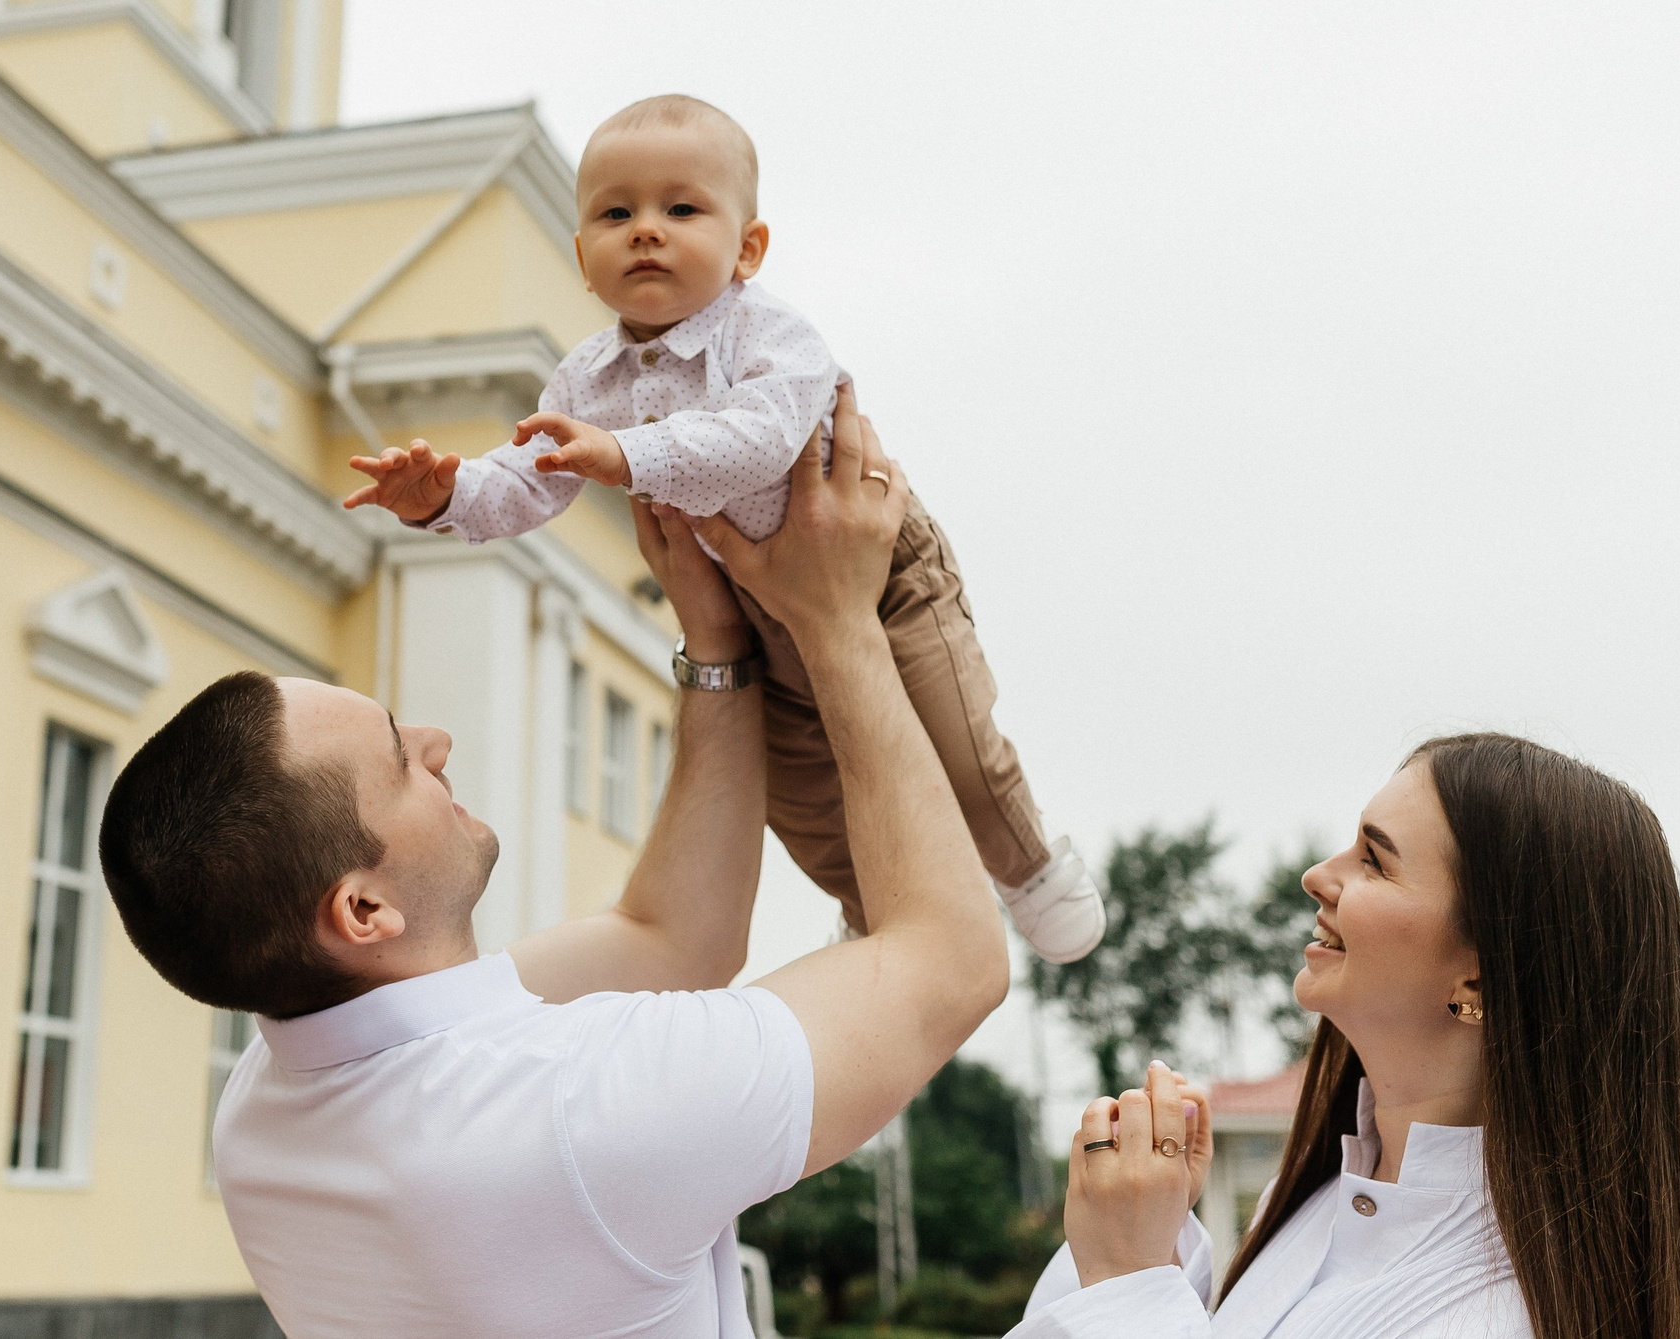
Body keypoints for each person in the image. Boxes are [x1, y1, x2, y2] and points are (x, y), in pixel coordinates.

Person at [100, 392, 1012, 1338]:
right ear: (363, 909)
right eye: (397, 755)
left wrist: (714, 642)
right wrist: (837, 620)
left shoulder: (265, 1116)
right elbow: (952, 962)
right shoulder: (576, 1112)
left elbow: (673, 940)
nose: (437, 738)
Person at [339, 92, 1103, 966]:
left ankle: (1028, 866)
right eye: (616, 213)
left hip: (883, 585)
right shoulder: (586, 380)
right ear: (582, 258)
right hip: (755, 620)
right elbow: (531, 473)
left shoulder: (767, 332)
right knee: (806, 802)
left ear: (747, 249)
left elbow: (762, 438)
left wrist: (625, 454)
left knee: (957, 742)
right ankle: (867, 900)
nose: (647, 230)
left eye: (681, 208)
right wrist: (445, 495)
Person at [1011, 734, 1680, 1339]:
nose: (1317, 875)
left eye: (1375, 859)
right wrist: (1154, 1244)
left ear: (1479, 981)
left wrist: (1130, 1282)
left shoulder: (1502, 1312)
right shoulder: (1318, 1203)